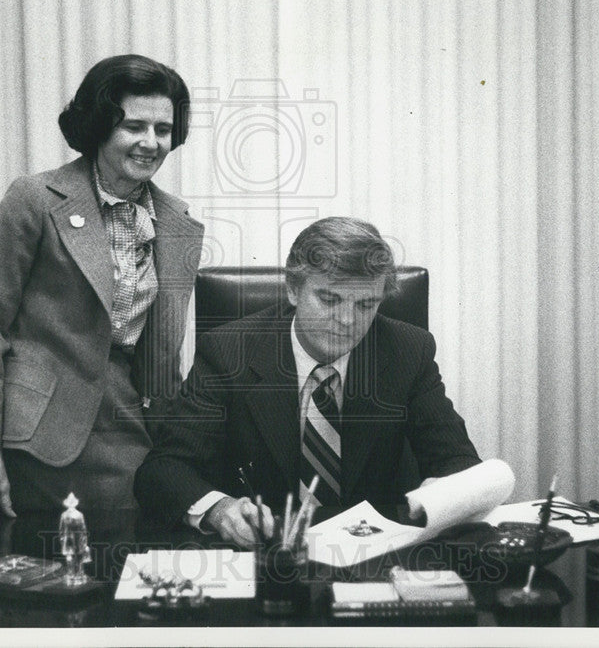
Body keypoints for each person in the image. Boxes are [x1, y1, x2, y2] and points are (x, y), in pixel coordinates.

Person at [0, 54, 204, 528]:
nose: (150, 142)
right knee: (46, 580)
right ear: (100, 125)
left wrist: (178, 450)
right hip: (36, 439)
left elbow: (163, 354)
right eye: (134, 126)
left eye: (163, 129)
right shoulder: (34, 199)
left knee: (127, 572)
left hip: (133, 432)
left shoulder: (178, 223)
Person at [135, 216, 481, 547]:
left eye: (366, 304)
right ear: (294, 291)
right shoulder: (229, 352)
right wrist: (218, 509)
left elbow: (458, 462)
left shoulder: (408, 351)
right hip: (268, 554)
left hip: (375, 553)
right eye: (330, 299)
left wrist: (448, 493)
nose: (347, 320)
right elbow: (164, 469)